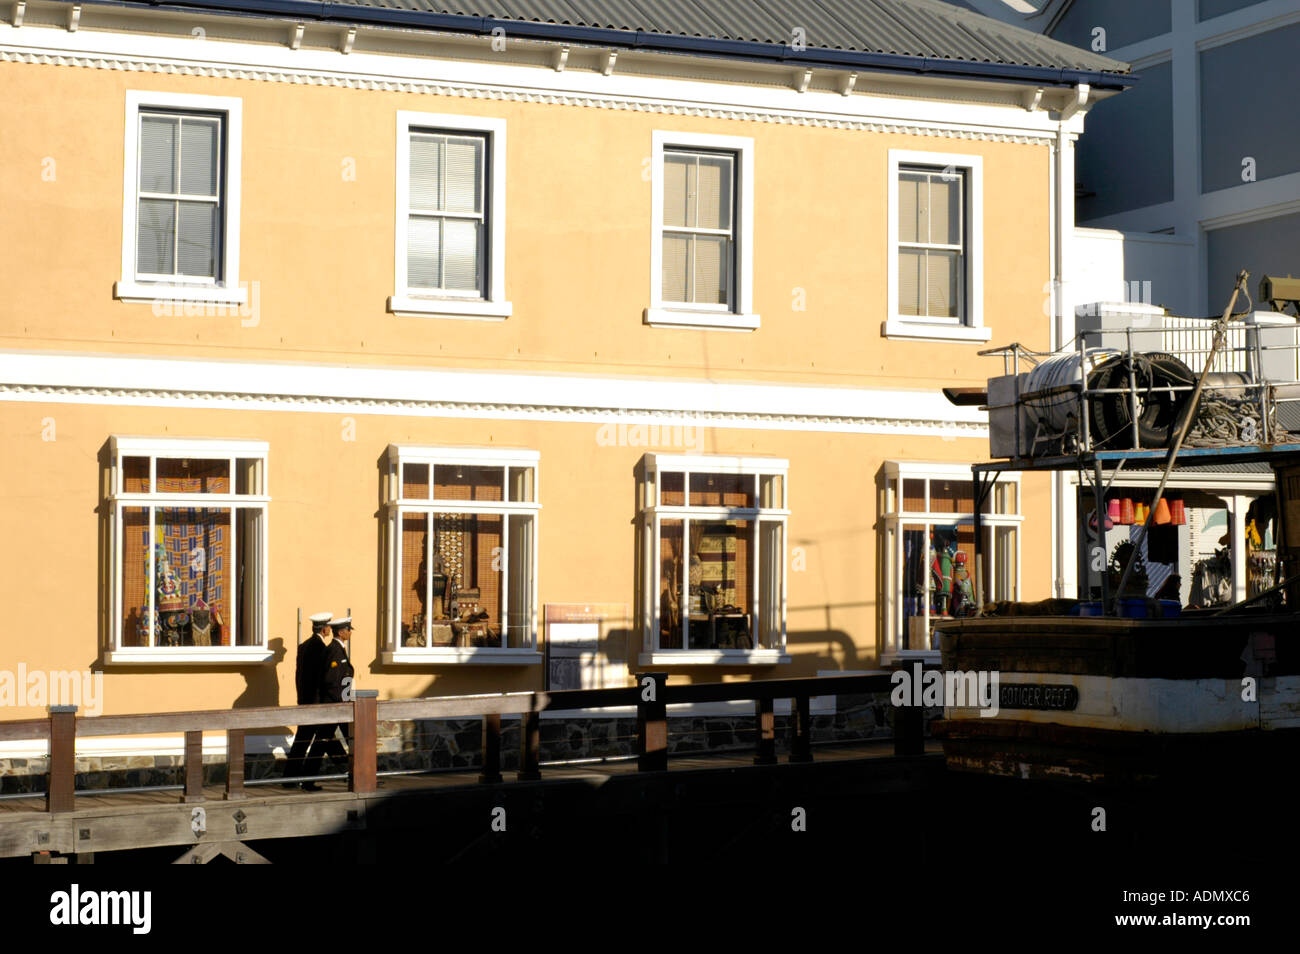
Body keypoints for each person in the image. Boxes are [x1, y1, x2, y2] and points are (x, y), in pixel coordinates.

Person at [282, 611, 332, 790]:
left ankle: (289, 778)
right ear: (325, 629)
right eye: (329, 627)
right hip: (316, 703)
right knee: (319, 742)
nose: (330, 630)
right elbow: (321, 678)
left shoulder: (303, 646)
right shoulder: (321, 649)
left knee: (301, 741)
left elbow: (299, 677)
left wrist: (302, 698)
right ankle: (308, 780)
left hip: (304, 700)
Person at [303, 616, 355, 780]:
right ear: (341, 632)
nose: (350, 633)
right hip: (335, 705)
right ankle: (360, 774)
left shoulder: (339, 648)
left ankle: (309, 778)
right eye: (348, 630)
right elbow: (331, 680)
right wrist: (342, 701)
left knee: (325, 741)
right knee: (349, 739)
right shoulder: (334, 650)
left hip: (339, 703)